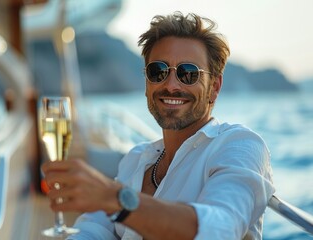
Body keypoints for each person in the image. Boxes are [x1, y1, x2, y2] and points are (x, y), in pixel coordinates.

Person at [42, 12, 275, 240]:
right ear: (147, 83)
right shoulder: (137, 159)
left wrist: (116, 199)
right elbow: (95, 227)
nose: (171, 85)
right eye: (158, 72)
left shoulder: (240, 145)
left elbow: (220, 229)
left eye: (188, 73)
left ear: (214, 87)